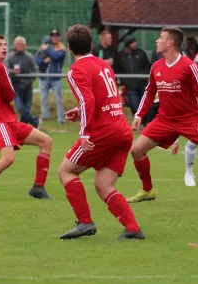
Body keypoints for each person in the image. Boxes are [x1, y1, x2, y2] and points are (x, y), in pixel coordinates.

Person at [127, 27, 198, 202]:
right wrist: (138, 116)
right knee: (136, 151)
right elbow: (149, 93)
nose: (157, 41)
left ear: (170, 42)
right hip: (164, 120)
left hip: (190, 119)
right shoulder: (156, 66)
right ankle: (147, 190)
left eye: (160, 38)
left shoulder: (189, 66)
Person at [58, 24, 144, 240]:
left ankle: (85, 222)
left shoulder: (75, 70)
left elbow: (89, 99)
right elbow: (102, 98)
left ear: (69, 47)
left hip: (102, 133)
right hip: (122, 130)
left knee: (65, 171)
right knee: (103, 184)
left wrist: (84, 133)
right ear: (92, 45)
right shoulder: (103, 65)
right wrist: (80, 111)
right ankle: (133, 228)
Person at [0, 35, 53, 201]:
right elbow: (10, 95)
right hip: (1, 121)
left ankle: (38, 187)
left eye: (5, 44)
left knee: (46, 141)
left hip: (7, 120)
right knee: (8, 158)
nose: (4, 47)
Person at [5, 36, 40, 128]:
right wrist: (13, 72)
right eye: (17, 44)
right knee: (21, 108)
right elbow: (5, 70)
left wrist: (31, 80)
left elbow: (35, 69)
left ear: (25, 45)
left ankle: (23, 130)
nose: (19, 45)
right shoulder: (10, 57)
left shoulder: (29, 56)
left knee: (26, 110)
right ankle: (35, 121)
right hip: (16, 87)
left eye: (21, 44)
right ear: (14, 45)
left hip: (28, 87)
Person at [114, 37, 152, 122]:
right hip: (130, 85)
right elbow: (117, 69)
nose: (135, 44)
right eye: (132, 42)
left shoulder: (141, 53)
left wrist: (143, 76)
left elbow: (147, 67)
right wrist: (123, 81)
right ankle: (139, 122)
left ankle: (146, 122)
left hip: (142, 84)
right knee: (134, 104)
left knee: (145, 104)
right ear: (128, 44)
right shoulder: (120, 56)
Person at [36, 29, 66, 124]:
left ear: (59, 37)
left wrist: (47, 48)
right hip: (44, 77)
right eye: (53, 36)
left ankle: (61, 119)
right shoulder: (44, 47)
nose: (55, 37)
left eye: (57, 35)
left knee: (58, 100)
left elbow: (56, 56)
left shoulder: (61, 48)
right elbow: (37, 59)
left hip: (55, 78)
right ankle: (45, 117)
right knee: (43, 99)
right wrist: (44, 61)